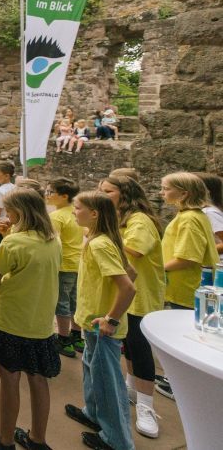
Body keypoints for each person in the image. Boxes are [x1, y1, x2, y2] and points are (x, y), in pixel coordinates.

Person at [0, 189, 61, 450]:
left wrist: (8, 239)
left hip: (12, 319)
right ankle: (37, 439)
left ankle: (4, 440)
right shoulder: (53, 239)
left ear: (19, 212)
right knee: (38, 378)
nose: (7, 214)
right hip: (40, 321)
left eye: (10, 210)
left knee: (9, 379)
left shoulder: (14, 243)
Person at [65, 191, 136, 450]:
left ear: (94, 214)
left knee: (107, 381)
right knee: (92, 370)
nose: (74, 211)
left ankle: (117, 440)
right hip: (93, 322)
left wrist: (111, 319)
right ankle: (93, 413)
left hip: (103, 327)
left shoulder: (99, 244)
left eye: (77, 207)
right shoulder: (97, 239)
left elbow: (128, 286)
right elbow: (132, 271)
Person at [99, 174, 164, 438]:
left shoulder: (140, 221)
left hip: (141, 295)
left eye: (109, 192)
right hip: (125, 294)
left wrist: (98, 235)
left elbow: (132, 252)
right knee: (128, 345)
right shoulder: (119, 218)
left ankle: (147, 407)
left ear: (125, 194)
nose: (103, 196)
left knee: (139, 348)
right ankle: (130, 387)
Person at [153, 172, 217, 402]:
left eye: (166, 188)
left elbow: (188, 258)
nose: (162, 193)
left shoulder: (189, 218)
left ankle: (180, 384)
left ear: (184, 193)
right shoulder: (192, 216)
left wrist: (158, 269)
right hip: (188, 286)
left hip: (187, 287)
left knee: (186, 335)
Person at [45, 178, 85, 358]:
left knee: (61, 301)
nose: (47, 195)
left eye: (50, 192)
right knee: (75, 300)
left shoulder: (56, 216)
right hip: (78, 263)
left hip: (63, 265)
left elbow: (56, 243)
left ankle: (63, 337)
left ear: (64, 196)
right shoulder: (75, 212)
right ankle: (77, 335)